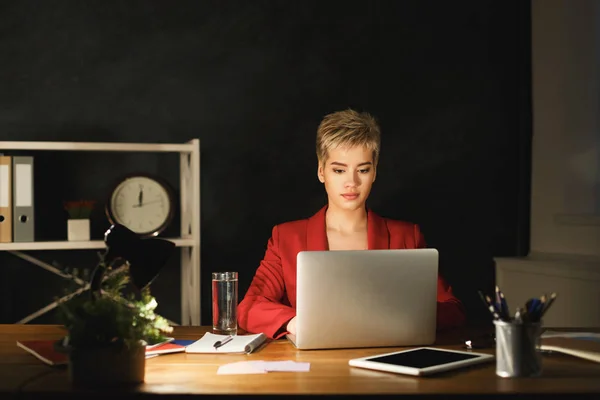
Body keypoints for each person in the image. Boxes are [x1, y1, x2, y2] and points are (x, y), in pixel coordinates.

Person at [237, 109, 466, 339]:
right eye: (339, 170)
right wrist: (295, 322)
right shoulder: (286, 237)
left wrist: (403, 315)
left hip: (386, 359)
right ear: (321, 171)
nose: (352, 182)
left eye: (363, 170)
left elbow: (452, 307)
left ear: (374, 172)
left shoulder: (407, 236)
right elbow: (250, 307)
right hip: (314, 367)